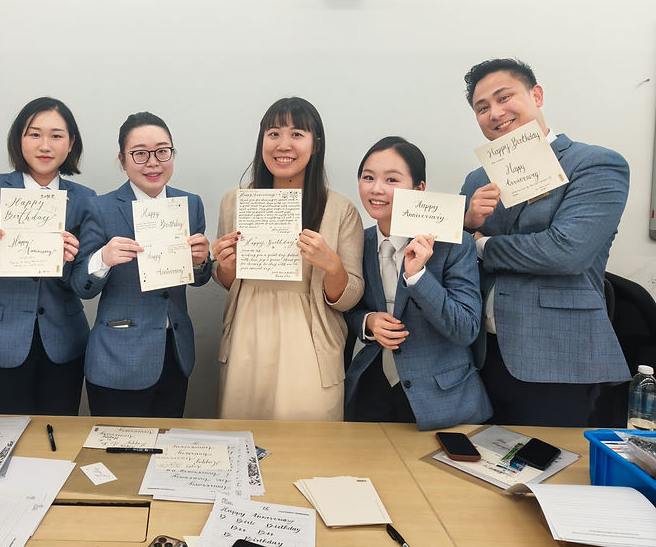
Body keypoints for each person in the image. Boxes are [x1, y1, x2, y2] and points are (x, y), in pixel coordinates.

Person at [461, 58, 630, 427]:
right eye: (482, 107)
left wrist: (481, 245)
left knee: (550, 474)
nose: (495, 113)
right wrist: (463, 225)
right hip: (480, 357)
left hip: (558, 357)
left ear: (536, 95)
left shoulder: (595, 164)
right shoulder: (477, 178)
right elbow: (454, 259)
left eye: (504, 98)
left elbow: (566, 251)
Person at [212, 97, 364, 420]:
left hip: (310, 344)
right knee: (242, 440)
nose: (284, 145)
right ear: (262, 140)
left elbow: (350, 298)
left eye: (297, 134)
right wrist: (225, 267)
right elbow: (228, 281)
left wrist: (332, 265)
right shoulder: (234, 201)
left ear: (316, 144)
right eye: (274, 133)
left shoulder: (340, 210)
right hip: (246, 338)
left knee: (306, 449)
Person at [0, 97, 94, 415]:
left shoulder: (84, 199)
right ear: (19, 139)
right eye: (34, 134)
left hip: (63, 340)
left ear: (70, 145)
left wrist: (74, 260)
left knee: (56, 438)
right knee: (2, 438)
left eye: (56, 136)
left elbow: (85, 284)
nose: (45, 145)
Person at [344, 136, 491, 430]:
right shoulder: (356, 241)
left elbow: (466, 329)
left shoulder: (455, 243)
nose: (377, 188)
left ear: (418, 189)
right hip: (371, 391)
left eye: (392, 179)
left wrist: (418, 277)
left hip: (444, 399)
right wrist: (368, 322)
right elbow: (348, 306)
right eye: (368, 177)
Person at [71, 112, 211, 417]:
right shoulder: (99, 207)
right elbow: (81, 286)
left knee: (164, 449)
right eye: (140, 154)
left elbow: (197, 278)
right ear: (122, 160)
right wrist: (102, 259)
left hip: (174, 352)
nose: (153, 162)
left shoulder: (191, 204)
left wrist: (201, 262)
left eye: (162, 151)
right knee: (117, 456)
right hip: (118, 357)